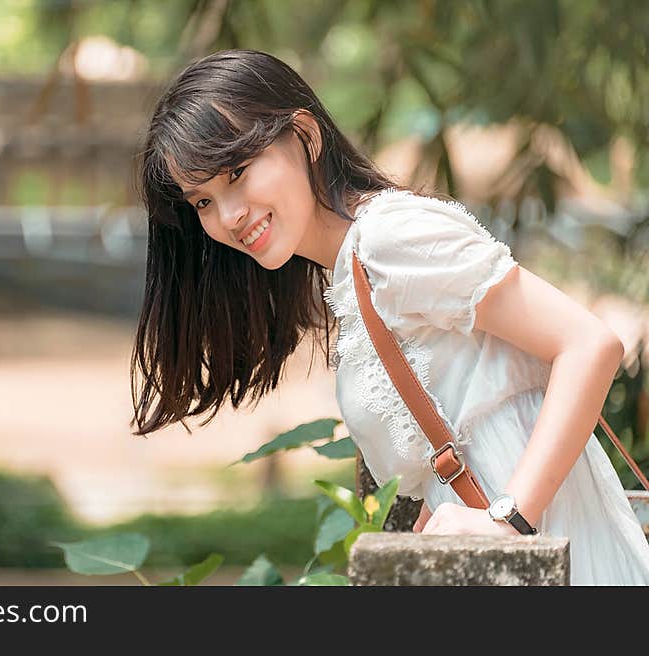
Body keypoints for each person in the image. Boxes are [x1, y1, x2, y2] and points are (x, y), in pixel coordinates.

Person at [128, 48, 649, 585]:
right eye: (203, 202)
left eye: (236, 172)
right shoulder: (352, 269)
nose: (229, 215)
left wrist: (510, 521)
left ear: (304, 136)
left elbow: (588, 343)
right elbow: (453, 450)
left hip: (543, 548)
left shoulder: (388, 239)